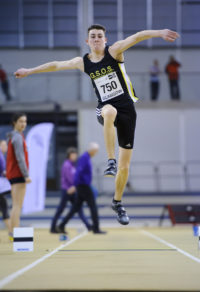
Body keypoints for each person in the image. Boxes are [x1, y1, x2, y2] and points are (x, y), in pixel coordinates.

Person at [14, 25, 179, 225]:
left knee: (125, 167)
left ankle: (117, 202)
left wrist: (160, 33)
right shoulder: (82, 62)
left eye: (100, 36)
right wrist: (29, 71)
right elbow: (56, 65)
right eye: (93, 37)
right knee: (109, 111)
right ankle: (111, 161)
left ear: (105, 39)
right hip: (105, 108)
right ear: (87, 41)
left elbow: (137, 36)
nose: (96, 39)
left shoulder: (115, 51)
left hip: (127, 110)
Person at [58, 143, 105, 234]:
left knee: (75, 208)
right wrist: (75, 185)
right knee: (93, 207)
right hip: (83, 187)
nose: (96, 153)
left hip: (82, 186)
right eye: (95, 151)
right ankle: (96, 228)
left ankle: (61, 225)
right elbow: (78, 172)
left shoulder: (86, 157)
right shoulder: (84, 157)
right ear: (92, 150)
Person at [50, 147, 91, 233]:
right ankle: (53, 227)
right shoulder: (67, 165)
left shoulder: (72, 164)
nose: (75, 156)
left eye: (76, 154)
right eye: (73, 154)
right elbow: (71, 179)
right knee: (61, 209)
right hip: (67, 190)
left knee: (78, 209)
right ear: (69, 155)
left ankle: (88, 225)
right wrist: (77, 185)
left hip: (73, 190)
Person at [6, 113, 31, 240]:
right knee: (17, 205)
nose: (23, 124)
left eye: (25, 121)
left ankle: (12, 231)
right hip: (18, 174)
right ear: (14, 122)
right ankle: (15, 232)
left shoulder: (16, 136)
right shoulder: (17, 137)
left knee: (16, 204)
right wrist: (26, 175)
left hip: (14, 174)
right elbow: (20, 158)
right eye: (21, 121)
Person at [0, 140, 11, 232]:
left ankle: (11, 232)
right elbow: (4, 172)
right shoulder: (0, 156)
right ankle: (12, 232)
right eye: (4, 145)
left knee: (4, 208)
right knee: (4, 208)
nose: (6, 146)